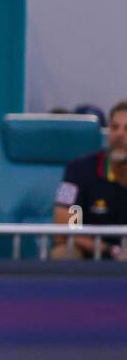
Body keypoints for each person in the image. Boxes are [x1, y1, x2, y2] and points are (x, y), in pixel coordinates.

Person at [52, 100, 127, 260]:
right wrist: (106, 249)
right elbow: (65, 227)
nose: (119, 134)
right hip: (88, 252)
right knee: (63, 253)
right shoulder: (78, 171)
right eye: (114, 127)